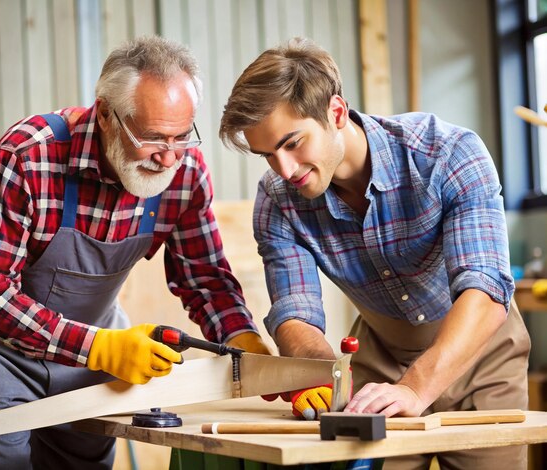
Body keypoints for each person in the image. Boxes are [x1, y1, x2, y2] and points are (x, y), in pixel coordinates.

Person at [0, 35, 271, 468]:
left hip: (94, 333)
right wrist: (98, 348)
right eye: (152, 138)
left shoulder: (184, 172)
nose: (168, 159)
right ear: (106, 114)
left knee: (84, 461)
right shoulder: (26, 158)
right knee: (4, 461)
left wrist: (245, 343)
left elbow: (204, 278)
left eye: (182, 137)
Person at [219, 37, 530, 469]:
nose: (284, 170)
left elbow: (485, 289)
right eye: (267, 155)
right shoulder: (278, 200)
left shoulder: (449, 154)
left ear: (336, 112)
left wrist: (417, 387)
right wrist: (323, 376)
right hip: (379, 363)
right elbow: (295, 312)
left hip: (481, 358)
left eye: (292, 144)